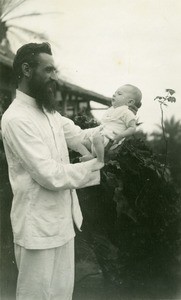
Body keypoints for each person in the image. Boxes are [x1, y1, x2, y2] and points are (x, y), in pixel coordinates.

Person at [1, 42, 104, 300]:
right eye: (48, 70)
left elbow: (81, 135)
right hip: (37, 230)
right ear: (26, 69)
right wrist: (96, 164)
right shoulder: (16, 119)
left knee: (61, 296)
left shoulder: (49, 113)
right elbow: (49, 174)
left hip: (63, 225)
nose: (54, 77)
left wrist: (116, 126)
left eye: (54, 71)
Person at [78, 84, 142, 162]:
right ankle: (91, 156)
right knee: (83, 142)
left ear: (130, 102)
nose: (114, 95)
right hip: (102, 134)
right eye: (115, 93)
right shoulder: (113, 109)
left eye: (119, 94)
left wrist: (121, 136)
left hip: (111, 138)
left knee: (96, 138)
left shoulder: (127, 112)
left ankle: (99, 160)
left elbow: (132, 128)